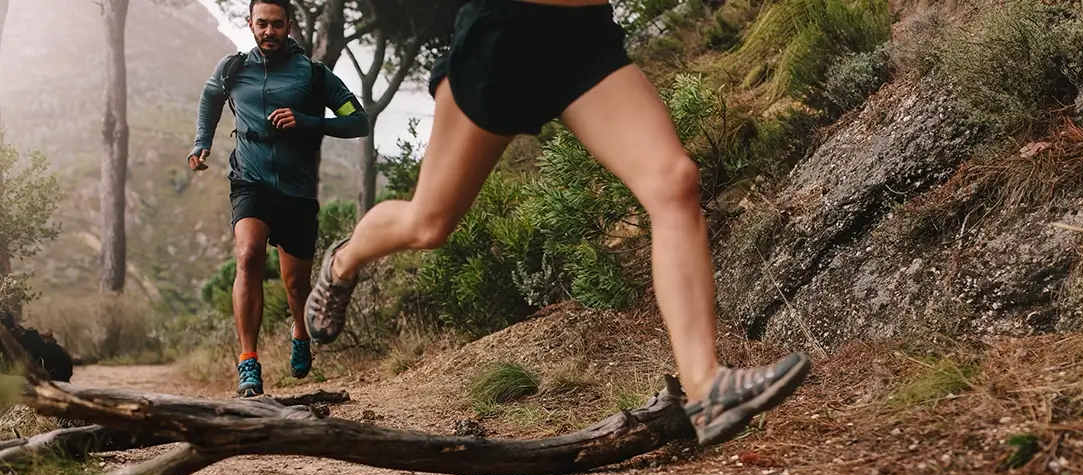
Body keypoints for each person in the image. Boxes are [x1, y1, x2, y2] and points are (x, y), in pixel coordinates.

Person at [305, 0, 811, 447]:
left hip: (582, 39)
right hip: (504, 35)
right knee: (428, 224)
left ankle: (705, 387)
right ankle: (345, 259)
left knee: (674, 181)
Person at [188, 0, 370, 397]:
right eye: (261, 24)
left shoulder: (313, 75)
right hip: (249, 181)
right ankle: (248, 361)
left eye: (276, 25)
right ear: (250, 25)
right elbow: (210, 100)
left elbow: (358, 121)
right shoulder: (233, 68)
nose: (268, 32)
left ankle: (300, 331)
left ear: (288, 25)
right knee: (248, 255)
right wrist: (201, 143)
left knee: (295, 285)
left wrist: (307, 121)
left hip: (297, 191)